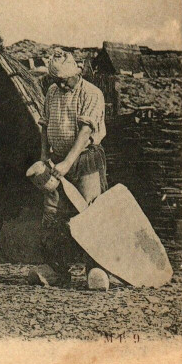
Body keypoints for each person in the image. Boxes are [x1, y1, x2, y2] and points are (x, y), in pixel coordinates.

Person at [36, 50, 108, 286]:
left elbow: (86, 132)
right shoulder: (52, 92)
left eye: (65, 79)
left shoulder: (91, 93)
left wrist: (68, 162)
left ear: (77, 73)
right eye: (57, 79)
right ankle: (56, 269)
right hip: (57, 160)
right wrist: (46, 156)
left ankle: (96, 269)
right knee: (52, 213)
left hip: (84, 158)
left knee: (90, 211)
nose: (61, 83)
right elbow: (45, 127)